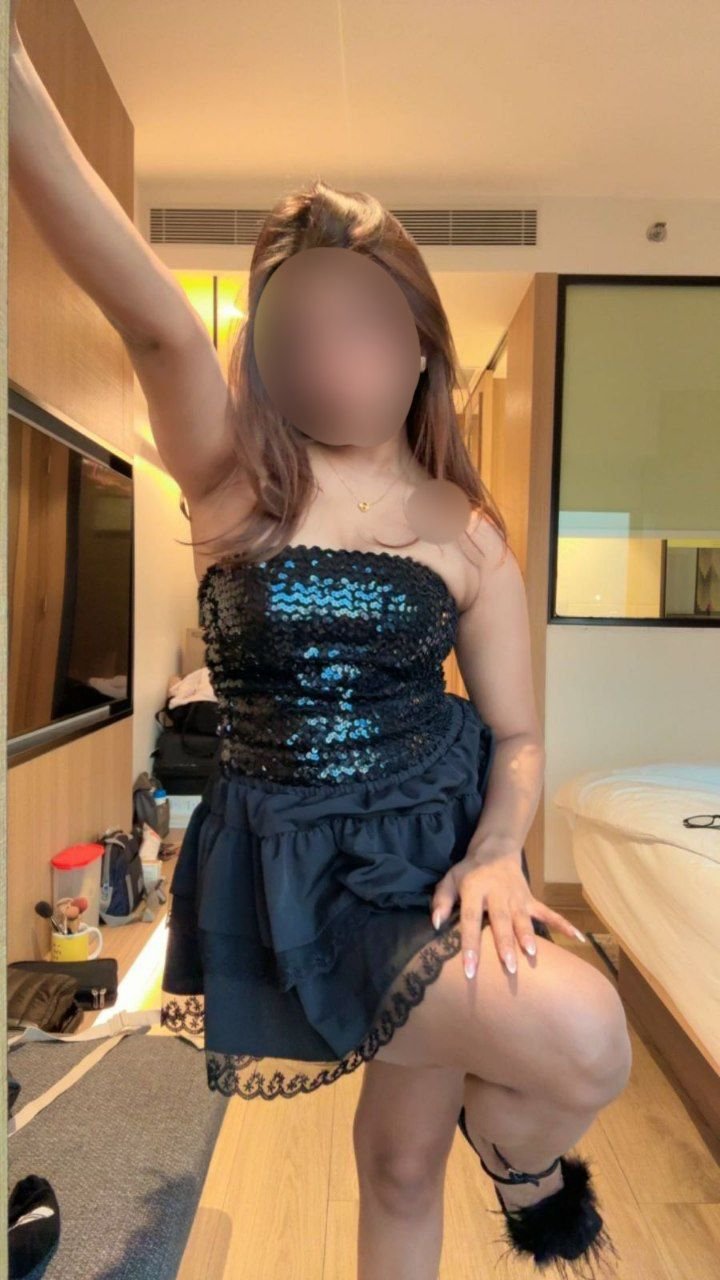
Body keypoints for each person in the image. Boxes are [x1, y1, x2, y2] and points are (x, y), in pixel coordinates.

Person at [9, 8, 630, 1278]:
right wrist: (14, 78)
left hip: (444, 838)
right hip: (300, 856)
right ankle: (523, 1164)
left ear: (419, 346)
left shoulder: (467, 529)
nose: (328, 357)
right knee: (581, 1035)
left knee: (407, 1159)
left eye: (361, 326)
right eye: (296, 332)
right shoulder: (236, 483)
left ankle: (514, 1158)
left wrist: (499, 849)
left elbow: (515, 731)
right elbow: (151, 319)